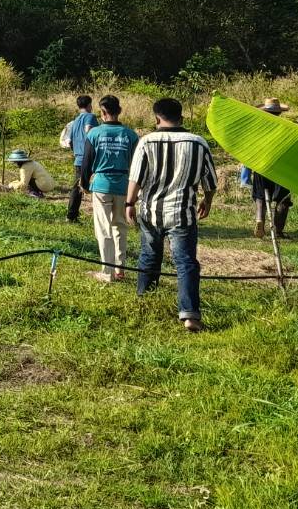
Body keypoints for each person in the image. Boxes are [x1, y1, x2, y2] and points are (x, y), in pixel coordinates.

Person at [126, 97, 218, 333]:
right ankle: (190, 316)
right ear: (182, 117)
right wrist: (207, 201)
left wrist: (129, 203)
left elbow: (136, 177)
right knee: (186, 262)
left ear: (157, 118)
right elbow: (210, 181)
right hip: (182, 212)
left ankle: (144, 300)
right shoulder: (198, 142)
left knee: (149, 256)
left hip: (150, 211)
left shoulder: (147, 141)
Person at [80, 95, 140, 282]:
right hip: (124, 185)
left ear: (102, 112)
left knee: (104, 228)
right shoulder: (131, 135)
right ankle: (120, 269)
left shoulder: (94, 133)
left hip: (102, 185)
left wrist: (83, 183)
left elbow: (86, 161)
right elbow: (137, 164)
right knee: (120, 226)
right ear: (119, 111)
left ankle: (107, 272)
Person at [250, 98, 293, 239]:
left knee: (260, 197)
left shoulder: (258, 128)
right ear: (279, 112)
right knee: (283, 199)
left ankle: (259, 220)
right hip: (282, 167)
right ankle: (278, 230)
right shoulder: (286, 128)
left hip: (261, 165)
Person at [62, 95, 97, 223]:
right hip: (89, 158)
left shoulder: (75, 121)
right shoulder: (90, 117)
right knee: (95, 186)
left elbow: (69, 140)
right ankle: (98, 216)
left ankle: (71, 216)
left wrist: (77, 152)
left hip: (78, 158)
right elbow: (89, 130)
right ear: (89, 105)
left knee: (77, 187)